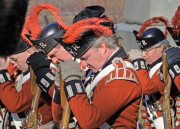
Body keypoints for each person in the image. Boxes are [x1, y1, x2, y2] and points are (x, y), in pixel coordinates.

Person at [54, 15, 142, 128]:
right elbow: (57, 117)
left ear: (102, 47)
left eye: (85, 58)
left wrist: (72, 80)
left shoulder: (121, 77)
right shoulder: (97, 71)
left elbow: (89, 122)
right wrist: (59, 86)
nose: (83, 64)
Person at [131, 16, 179, 129]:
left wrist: (139, 64)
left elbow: (148, 87)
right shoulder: (152, 65)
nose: (143, 55)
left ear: (161, 47)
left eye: (147, 51)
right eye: (142, 51)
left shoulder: (169, 62)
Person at [0, 37, 56, 129]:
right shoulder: (20, 74)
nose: (12, 63)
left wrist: (2, 72)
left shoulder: (45, 72)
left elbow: (15, 104)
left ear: (29, 52)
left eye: (15, 59)